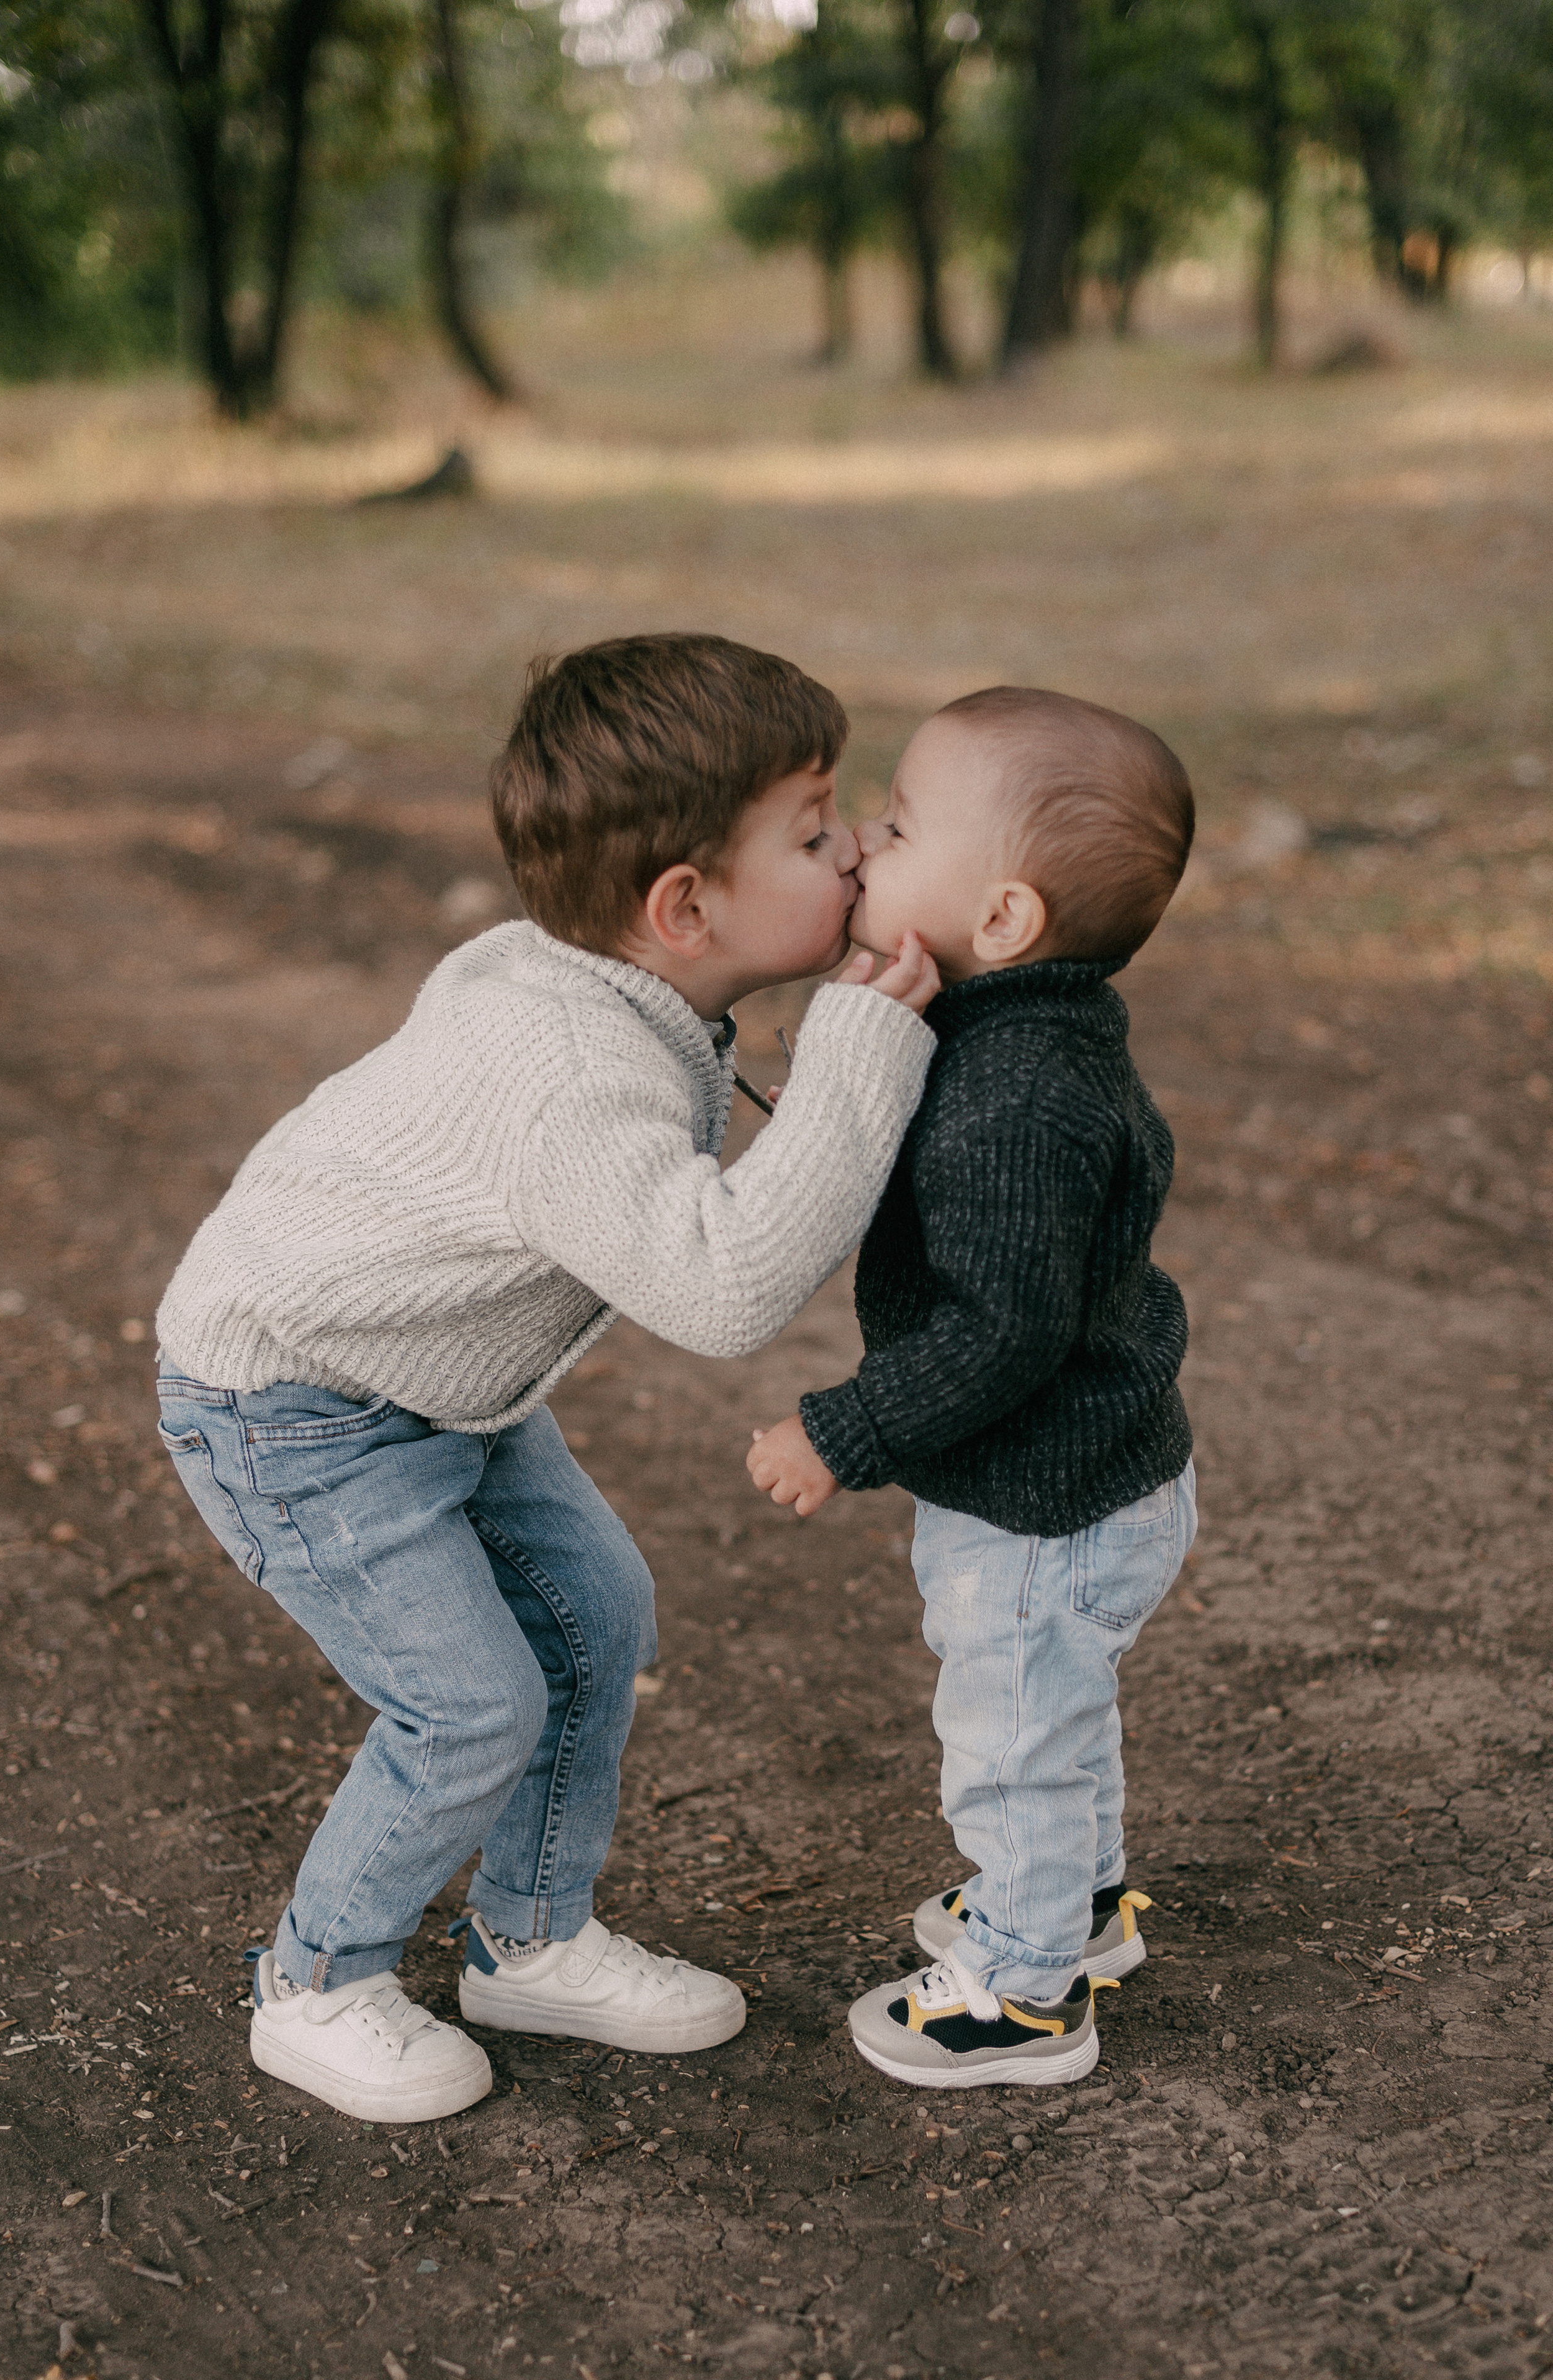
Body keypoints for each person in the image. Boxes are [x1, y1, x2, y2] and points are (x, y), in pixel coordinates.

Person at [154, 633, 939, 2124]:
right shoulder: (566, 1071)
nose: (851, 853)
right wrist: (859, 1051)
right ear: (684, 905)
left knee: (594, 1619)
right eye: (816, 827)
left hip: (434, 1390)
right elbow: (721, 1287)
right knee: (466, 1706)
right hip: (295, 1410)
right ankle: (316, 1979)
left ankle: (527, 1938)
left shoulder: (605, 983)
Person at [747, 685, 1198, 2089]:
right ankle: (1074, 1907)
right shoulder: (1026, 1036)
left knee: (1009, 1740)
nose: (864, 849)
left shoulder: (1016, 1101)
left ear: (1000, 920)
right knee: (1055, 1715)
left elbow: (1003, 1335)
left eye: (893, 824)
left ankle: (1020, 1993)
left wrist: (840, 1428)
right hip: (1091, 1473)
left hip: (1041, 1506)